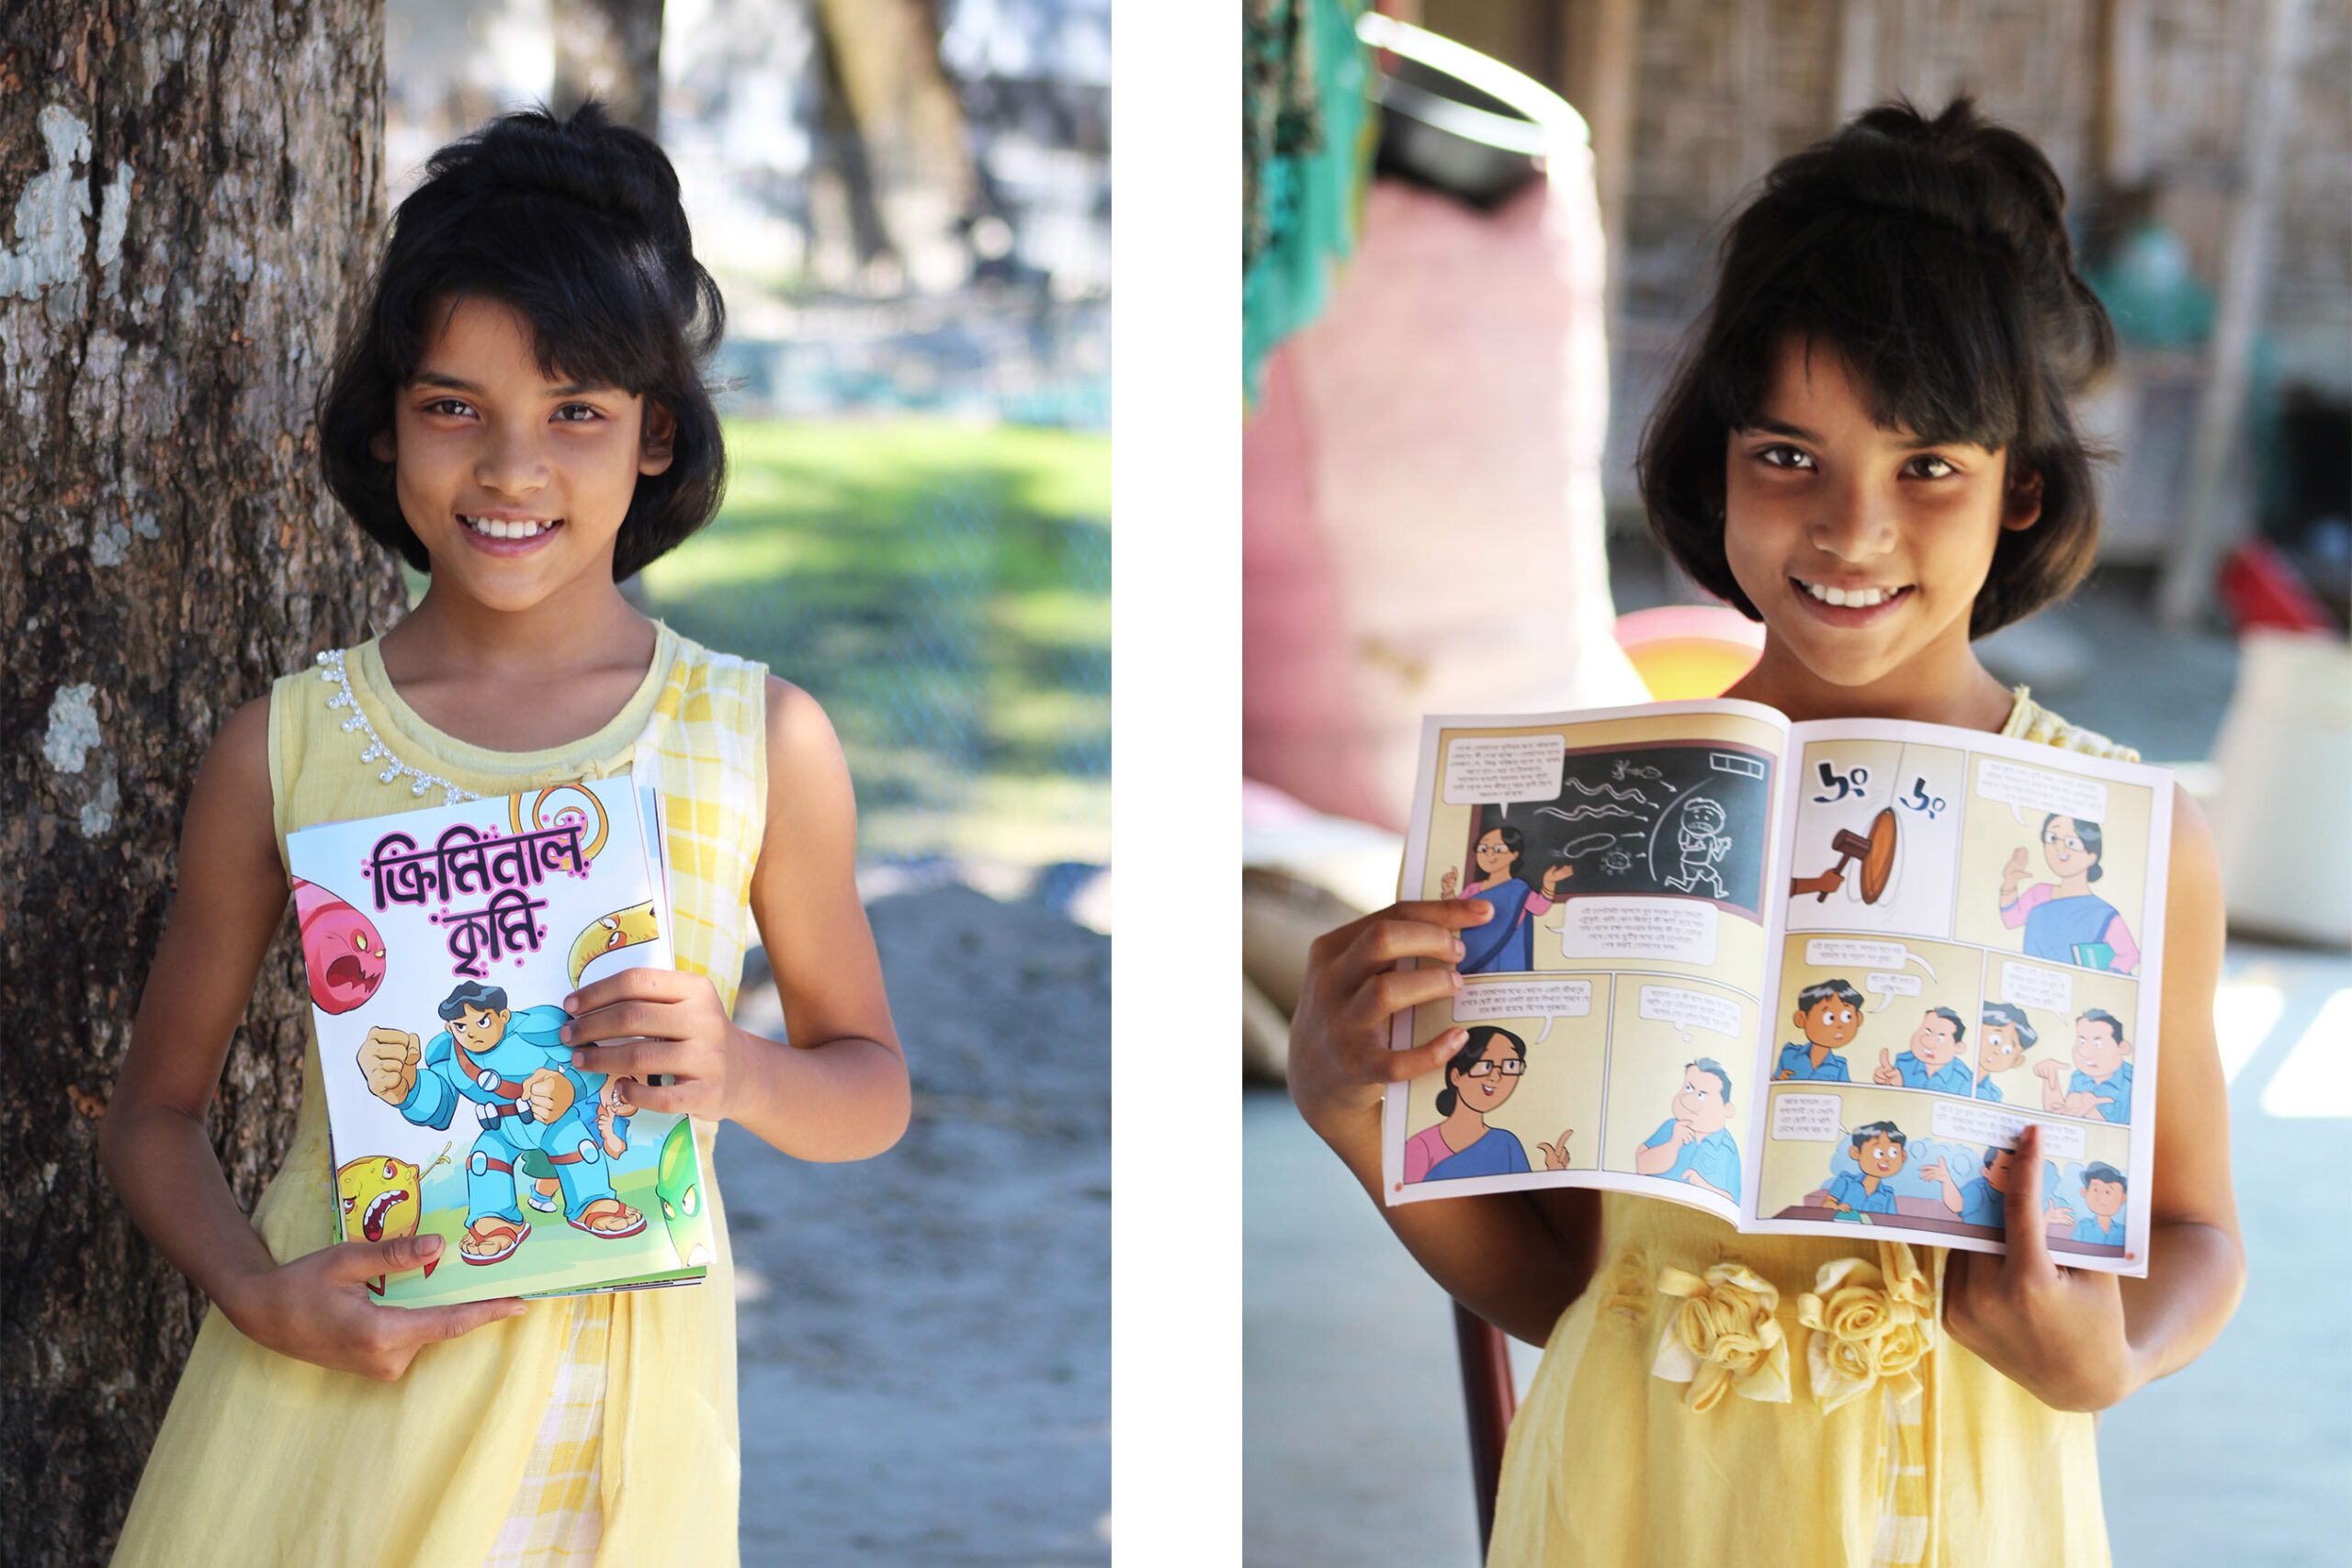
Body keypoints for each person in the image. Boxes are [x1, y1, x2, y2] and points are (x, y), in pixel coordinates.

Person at [1286, 98, 2242, 1566]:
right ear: (1714, 460)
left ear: (2020, 492)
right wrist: (1362, 1115)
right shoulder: (1572, 815)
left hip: (1971, 1516)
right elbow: (1563, 1286)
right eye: (1788, 456)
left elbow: (2196, 1234)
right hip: (1632, 1509)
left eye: (1928, 466)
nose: (1852, 531)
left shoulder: (2126, 837)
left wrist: (2111, 1355)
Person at [98, 106, 910, 1567]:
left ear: (659, 434)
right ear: (389, 420)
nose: (512, 468)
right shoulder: (285, 747)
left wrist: (736, 1069)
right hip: (336, 1422)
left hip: (624, 1440)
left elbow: (871, 1087)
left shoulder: (760, 738)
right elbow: (155, 1109)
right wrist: (253, 1287)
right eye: (455, 405)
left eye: (577, 411)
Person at [1401, 1026, 1572, 1182]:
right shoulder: (1420, 1147)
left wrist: (1554, 1173)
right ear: (1456, 1076)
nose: (1496, 1077)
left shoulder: (1506, 1143)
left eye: (1510, 1066)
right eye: (1486, 1065)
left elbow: (1522, 1197)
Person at [1998, 813, 2140, 972]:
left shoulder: (2103, 913)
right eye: (2052, 838)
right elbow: (2011, 920)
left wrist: (2100, 980)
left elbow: (2130, 954)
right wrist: (2009, 883)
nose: (2059, 847)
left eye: (2070, 842)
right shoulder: (2039, 893)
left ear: (2091, 856)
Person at [1440, 824, 1573, 974]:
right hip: (1476, 954)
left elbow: (1539, 907)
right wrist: (1448, 892)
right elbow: (1455, 914)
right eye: (1483, 849)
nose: (1489, 854)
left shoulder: (1518, 888)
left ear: (1514, 854)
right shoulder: (1473, 889)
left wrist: (1549, 884)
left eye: (1498, 849)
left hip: (1508, 952)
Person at [1630, 1061, 1741, 1203]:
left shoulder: (1728, 1147)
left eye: (1701, 1095)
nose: (1687, 1100)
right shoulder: (1671, 1127)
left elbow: (1734, 1204)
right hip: (1654, 1208)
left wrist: (1703, 1186)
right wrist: (1673, 1144)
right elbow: (1642, 1165)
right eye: (1688, 1088)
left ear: (1727, 1109)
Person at [2034, 1008, 2134, 1123]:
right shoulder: (2080, 1077)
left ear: (2122, 1048)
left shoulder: (2131, 1083)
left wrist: (2090, 1110)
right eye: (2082, 1040)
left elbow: (2118, 1132)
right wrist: (2050, 1076)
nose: (2085, 1051)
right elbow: (2061, 1113)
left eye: (2097, 1043)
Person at [1871, 1005, 1973, 1095]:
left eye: (1940, 1038)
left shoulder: (1964, 1078)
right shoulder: (1904, 1062)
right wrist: (1886, 1082)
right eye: (1927, 1032)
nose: (1928, 1042)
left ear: (1958, 1047)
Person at [1775, 978, 1861, 1081]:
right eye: (1830, 1018)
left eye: (1847, 1017)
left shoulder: (1840, 1067)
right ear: (1801, 1019)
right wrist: (1779, 1081)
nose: (1839, 1025)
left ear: (1858, 1019)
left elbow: (1844, 1094)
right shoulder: (1788, 1054)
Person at [1919, 1144, 2019, 1228]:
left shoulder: (2017, 1193)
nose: (2011, 1176)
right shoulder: (1977, 1189)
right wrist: (1947, 1181)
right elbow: (1957, 1205)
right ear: (1986, 1172)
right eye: (2005, 1171)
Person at [1819, 1122, 1908, 1216]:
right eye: (1879, 1153)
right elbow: (1827, 1202)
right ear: (1856, 1153)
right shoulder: (1846, 1181)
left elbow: (1893, 1220)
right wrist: (1836, 1208)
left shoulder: (1887, 1194)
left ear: (1903, 1156)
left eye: (1893, 1153)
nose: (1886, 1159)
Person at [2050, 1163, 2130, 1247]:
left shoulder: (2123, 1232)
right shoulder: (2083, 1227)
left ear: (2123, 1198)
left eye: (2108, 1192)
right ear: (2084, 1192)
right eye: (2095, 1190)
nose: (2100, 1197)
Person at [1973, 1001, 2039, 1102]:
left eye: (2007, 1050)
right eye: (1994, 1040)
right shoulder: (1954, 1070)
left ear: (2016, 1061)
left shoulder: (1994, 1095)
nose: (1996, 1051)